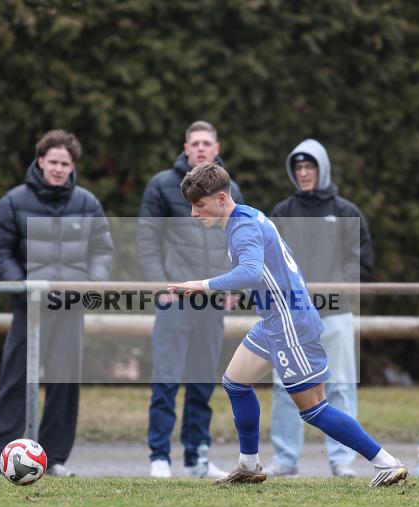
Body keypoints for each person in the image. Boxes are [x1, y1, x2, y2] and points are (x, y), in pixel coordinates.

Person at [167, 162, 406, 487]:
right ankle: (249, 465)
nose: (194, 213)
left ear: (221, 199)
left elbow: (251, 271)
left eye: (199, 205)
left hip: (289, 323)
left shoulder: (243, 227)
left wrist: (203, 284)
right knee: (235, 383)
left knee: (314, 409)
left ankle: (385, 463)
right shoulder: (247, 217)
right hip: (275, 319)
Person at [0, 130, 114, 478]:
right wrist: (24, 288)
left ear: (72, 166)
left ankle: (54, 459)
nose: (58, 168)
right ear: (40, 162)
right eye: (53, 162)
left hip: (69, 309)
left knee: (65, 386)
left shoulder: (88, 204)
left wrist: (90, 284)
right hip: (30, 309)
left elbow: (102, 251)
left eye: (65, 163)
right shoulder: (12, 202)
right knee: (15, 381)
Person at [136, 121, 243, 478]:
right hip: (176, 299)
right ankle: (159, 456)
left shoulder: (230, 190)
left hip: (212, 299)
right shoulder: (162, 185)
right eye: (194, 143)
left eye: (206, 143)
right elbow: (147, 239)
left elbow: (239, 241)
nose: (200, 148)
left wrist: (233, 288)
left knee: (202, 381)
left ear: (216, 148)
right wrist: (160, 286)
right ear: (185, 148)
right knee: (166, 379)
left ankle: (197, 456)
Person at [265, 139, 374, 478]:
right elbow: (269, 261)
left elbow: (361, 262)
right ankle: (285, 459)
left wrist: (333, 291)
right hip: (291, 317)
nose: (303, 173)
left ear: (322, 169)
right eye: (298, 168)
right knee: (285, 387)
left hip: (335, 314)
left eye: (309, 167)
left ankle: (342, 459)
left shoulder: (346, 212)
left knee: (340, 385)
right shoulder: (282, 212)